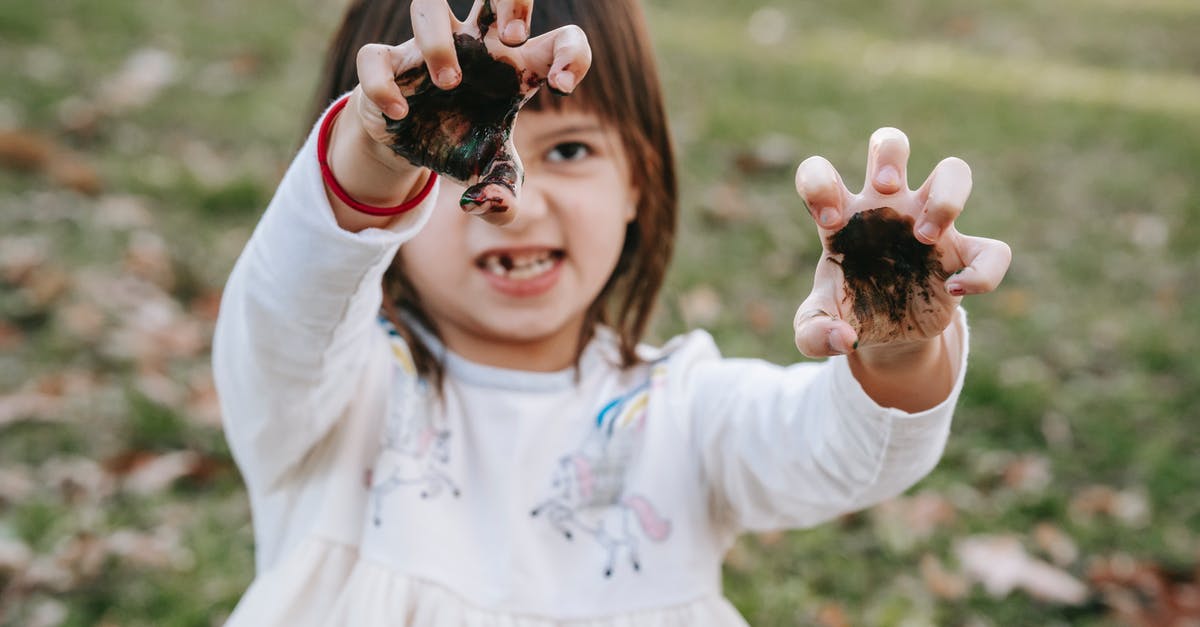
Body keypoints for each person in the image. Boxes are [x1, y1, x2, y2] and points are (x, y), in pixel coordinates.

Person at [212, 0, 1012, 624]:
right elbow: (286, 308)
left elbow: (842, 451)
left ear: (640, 182)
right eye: (456, 143)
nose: (518, 205)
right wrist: (376, 154)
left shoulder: (682, 412)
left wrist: (901, 338)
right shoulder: (330, 392)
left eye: (570, 151)